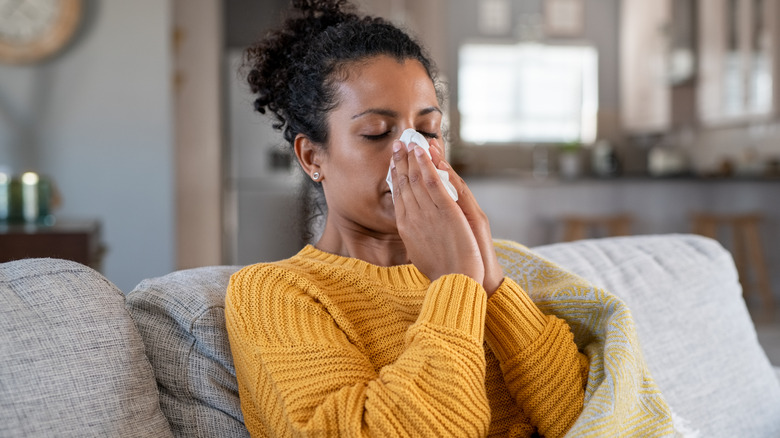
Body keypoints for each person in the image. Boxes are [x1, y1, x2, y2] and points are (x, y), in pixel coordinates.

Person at [224, 1, 590, 436]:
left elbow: (587, 420)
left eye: (429, 131)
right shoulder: (275, 295)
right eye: (378, 133)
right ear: (311, 156)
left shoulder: (486, 268)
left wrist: (491, 284)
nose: (413, 153)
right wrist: (458, 285)